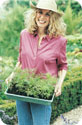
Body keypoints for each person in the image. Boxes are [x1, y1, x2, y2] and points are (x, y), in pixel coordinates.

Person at [6, 0, 68, 124]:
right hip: (23, 89)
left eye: (47, 14)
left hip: (42, 92)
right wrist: (12, 74)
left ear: (53, 18)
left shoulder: (59, 41)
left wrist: (59, 84)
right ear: (35, 14)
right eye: (40, 12)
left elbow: (63, 66)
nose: (42, 17)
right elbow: (21, 60)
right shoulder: (24, 34)